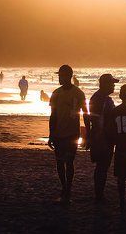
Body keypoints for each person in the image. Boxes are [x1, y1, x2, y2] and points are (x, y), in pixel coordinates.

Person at [48, 64, 89, 201]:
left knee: (69, 162)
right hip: (58, 133)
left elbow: (86, 114)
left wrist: (88, 132)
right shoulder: (56, 93)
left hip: (72, 133)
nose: (59, 78)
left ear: (69, 76)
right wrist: (51, 134)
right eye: (59, 75)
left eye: (61, 75)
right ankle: (64, 187)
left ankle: (68, 189)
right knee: (59, 162)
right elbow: (53, 115)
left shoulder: (78, 93)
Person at [88, 73, 119, 201]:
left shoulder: (97, 98)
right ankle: (99, 195)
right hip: (103, 138)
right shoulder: (103, 100)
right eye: (111, 83)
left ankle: (99, 193)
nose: (113, 86)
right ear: (105, 84)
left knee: (101, 167)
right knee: (102, 166)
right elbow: (100, 120)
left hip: (99, 137)